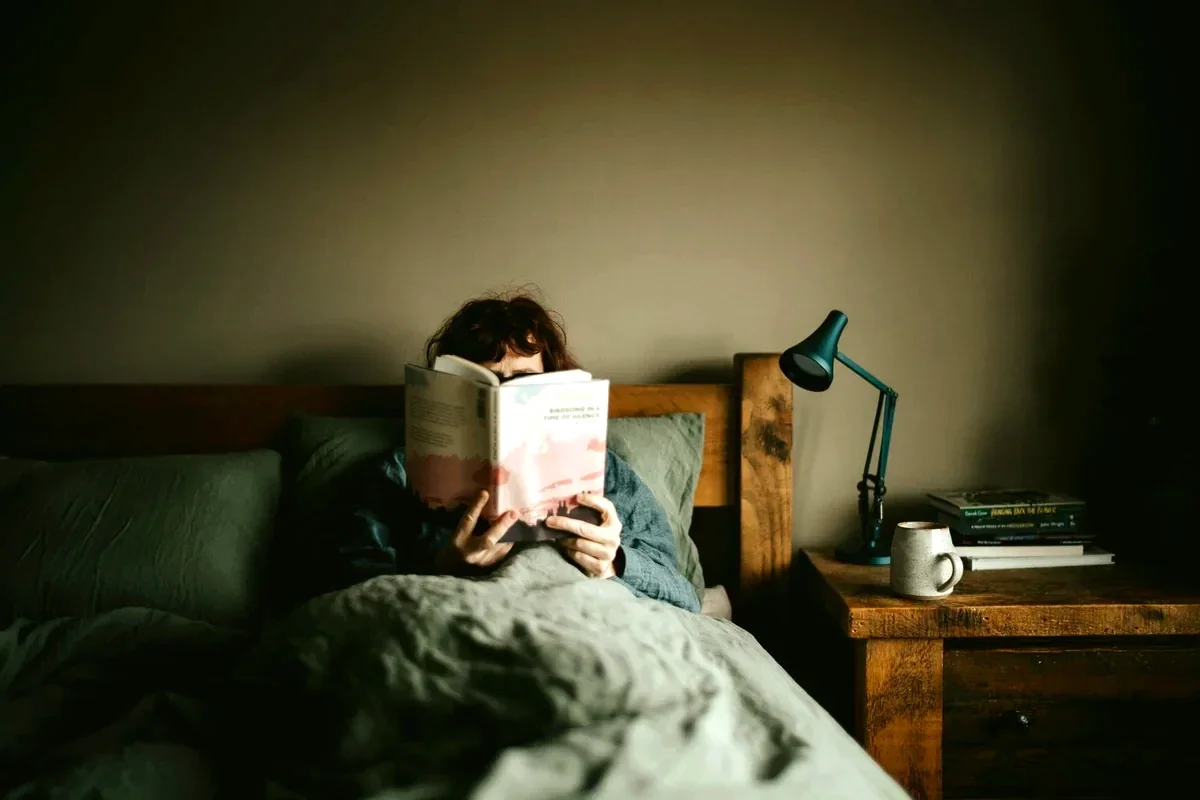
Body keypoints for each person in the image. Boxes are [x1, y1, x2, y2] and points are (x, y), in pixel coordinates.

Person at [318, 290, 702, 614]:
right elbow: (336, 588)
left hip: (583, 622)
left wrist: (614, 563)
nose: (506, 395)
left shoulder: (604, 472)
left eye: (524, 382)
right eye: (487, 382)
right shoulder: (397, 472)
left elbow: (684, 596)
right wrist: (440, 568)